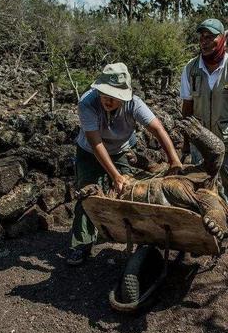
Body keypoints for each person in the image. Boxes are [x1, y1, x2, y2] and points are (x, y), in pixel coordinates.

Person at [68, 62, 182, 265]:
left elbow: (157, 128)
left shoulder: (134, 104)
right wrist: (115, 175)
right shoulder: (87, 103)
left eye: (114, 96)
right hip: (89, 151)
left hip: (120, 148)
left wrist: (174, 160)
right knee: (87, 194)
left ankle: (133, 233)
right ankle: (81, 244)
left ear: (124, 97)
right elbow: (96, 144)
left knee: (130, 191)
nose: (108, 100)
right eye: (104, 94)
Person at [179, 18, 228, 209]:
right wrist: (186, 145)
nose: (204, 41)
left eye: (210, 37)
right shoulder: (190, 69)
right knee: (203, 191)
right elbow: (187, 109)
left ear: (223, 39)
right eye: (202, 37)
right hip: (201, 143)